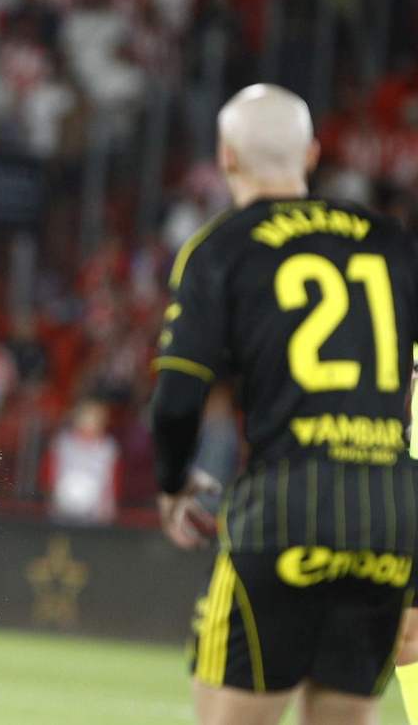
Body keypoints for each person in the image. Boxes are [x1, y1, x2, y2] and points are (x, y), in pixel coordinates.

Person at [152, 84, 418, 725]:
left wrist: (171, 484)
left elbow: (179, 393)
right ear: (312, 154)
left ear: (226, 158)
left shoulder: (222, 248)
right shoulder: (391, 243)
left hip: (285, 509)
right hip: (388, 515)